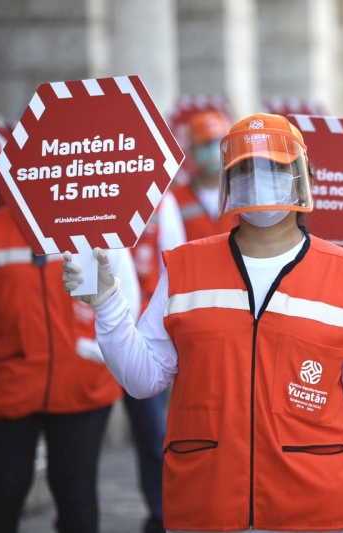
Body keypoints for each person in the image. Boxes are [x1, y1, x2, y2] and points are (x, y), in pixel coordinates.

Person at [62, 113, 343, 533]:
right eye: (245, 169)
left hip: (314, 511)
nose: (259, 179)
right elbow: (143, 379)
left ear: (301, 176)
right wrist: (108, 305)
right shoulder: (185, 267)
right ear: (229, 182)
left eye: (274, 167)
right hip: (206, 507)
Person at [0, 205, 139, 533]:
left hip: (80, 384)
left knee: (76, 493)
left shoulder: (97, 220)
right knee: (4, 490)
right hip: (7, 385)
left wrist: (103, 351)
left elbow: (127, 297)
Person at [127, 190, 187, 533]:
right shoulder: (85, 196)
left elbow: (173, 267)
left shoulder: (161, 203)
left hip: (146, 334)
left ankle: (162, 514)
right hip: (83, 337)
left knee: (154, 434)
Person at [171, 110, 237, 241]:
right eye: (205, 145)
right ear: (191, 150)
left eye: (219, 143)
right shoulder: (174, 199)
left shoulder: (244, 191)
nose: (213, 151)